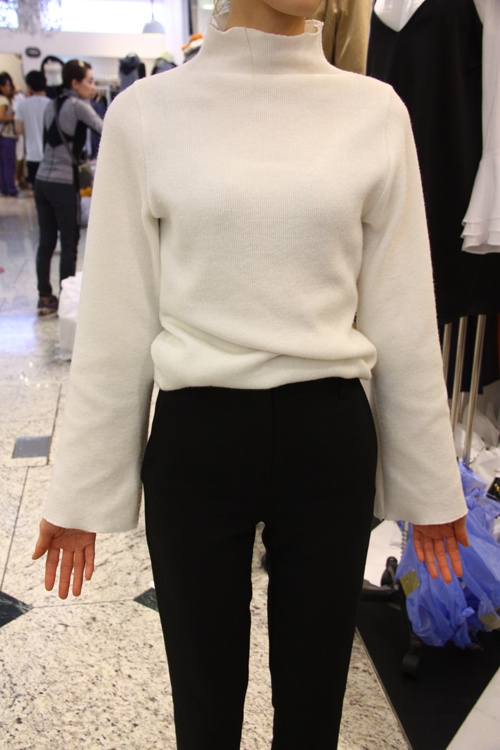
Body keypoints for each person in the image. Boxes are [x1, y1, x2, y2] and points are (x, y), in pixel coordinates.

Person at [32, 1, 470, 748]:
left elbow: (402, 312)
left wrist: (429, 484)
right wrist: (80, 489)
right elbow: (117, 319)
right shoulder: (148, 114)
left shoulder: (374, 112)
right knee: (204, 712)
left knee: (313, 713)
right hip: (198, 443)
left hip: (328, 440)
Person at [34, 59, 103, 316]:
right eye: (89, 81)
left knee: (46, 241)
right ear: (74, 83)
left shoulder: (50, 105)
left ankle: (44, 297)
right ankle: (66, 299)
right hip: (63, 183)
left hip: (42, 180)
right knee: (69, 241)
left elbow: (47, 142)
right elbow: (105, 128)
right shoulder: (78, 106)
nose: (93, 87)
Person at [15, 70, 51, 186]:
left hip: (32, 153)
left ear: (29, 86)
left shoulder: (22, 105)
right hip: (50, 154)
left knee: (36, 188)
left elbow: (18, 129)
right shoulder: (51, 104)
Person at [0, 72, 19, 197]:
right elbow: (1, 117)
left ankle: (4, 188)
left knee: (3, 165)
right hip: (7, 135)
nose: (9, 88)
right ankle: (11, 189)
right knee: (8, 164)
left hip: (2, 136)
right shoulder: (4, 100)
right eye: (7, 85)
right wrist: (13, 116)